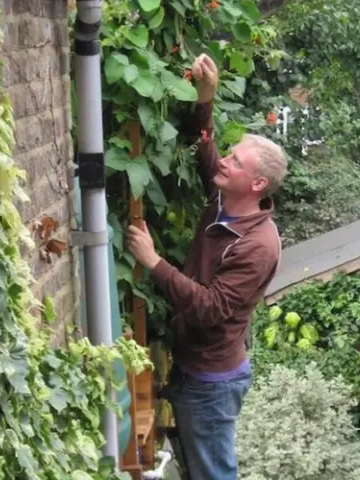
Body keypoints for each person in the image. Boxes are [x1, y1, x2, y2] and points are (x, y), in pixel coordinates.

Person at [126, 54, 287, 480]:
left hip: (211, 383)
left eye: (235, 162)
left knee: (214, 474)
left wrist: (153, 261)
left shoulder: (258, 246)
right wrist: (206, 95)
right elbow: (202, 148)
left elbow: (210, 308)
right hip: (193, 368)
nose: (224, 163)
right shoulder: (225, 199)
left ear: (256, 185)